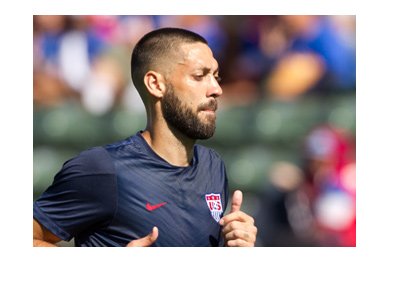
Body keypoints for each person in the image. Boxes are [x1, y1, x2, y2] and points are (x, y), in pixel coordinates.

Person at [33, 27, 258, 247]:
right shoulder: (102, 169)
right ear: (156, 84)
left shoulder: (213, 166)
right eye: (200, 76)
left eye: (216, 77)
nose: (217, 88)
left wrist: (234, 245)